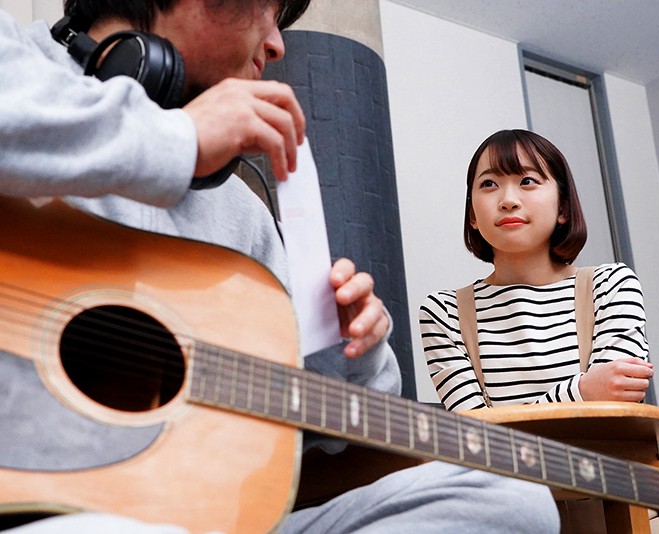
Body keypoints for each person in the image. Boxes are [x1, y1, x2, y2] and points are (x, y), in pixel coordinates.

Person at [0, 3, 559, 533]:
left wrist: (354, 352)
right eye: (265, 7)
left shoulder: (242, 214)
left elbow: (328, 433)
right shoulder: (16, 61)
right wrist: (179, 138)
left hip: (214, 518)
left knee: (513, 500)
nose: (276, 44)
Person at [420, 129, 653, 412]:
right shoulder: (445, 312)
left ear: (562, 207)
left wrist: (510, 417)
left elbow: (612, 408)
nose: (508, 200)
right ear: (472, 215)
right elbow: (474, 431)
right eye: (489, 184)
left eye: (527, 181)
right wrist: (582, 390)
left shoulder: (610, 286)